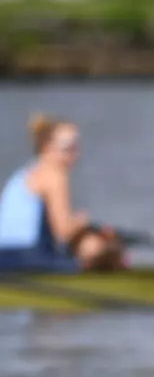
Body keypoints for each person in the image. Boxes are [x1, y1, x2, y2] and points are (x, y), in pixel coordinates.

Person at [0, 114, 124, 273]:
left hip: (4, 256)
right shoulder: (54, 174)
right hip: (25, 257)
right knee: (101, 249)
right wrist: (82, 224)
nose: (74, 155)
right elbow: (63, 233)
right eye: (68, 148)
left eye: (76, 147)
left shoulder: (22, 175)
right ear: (46, 146)